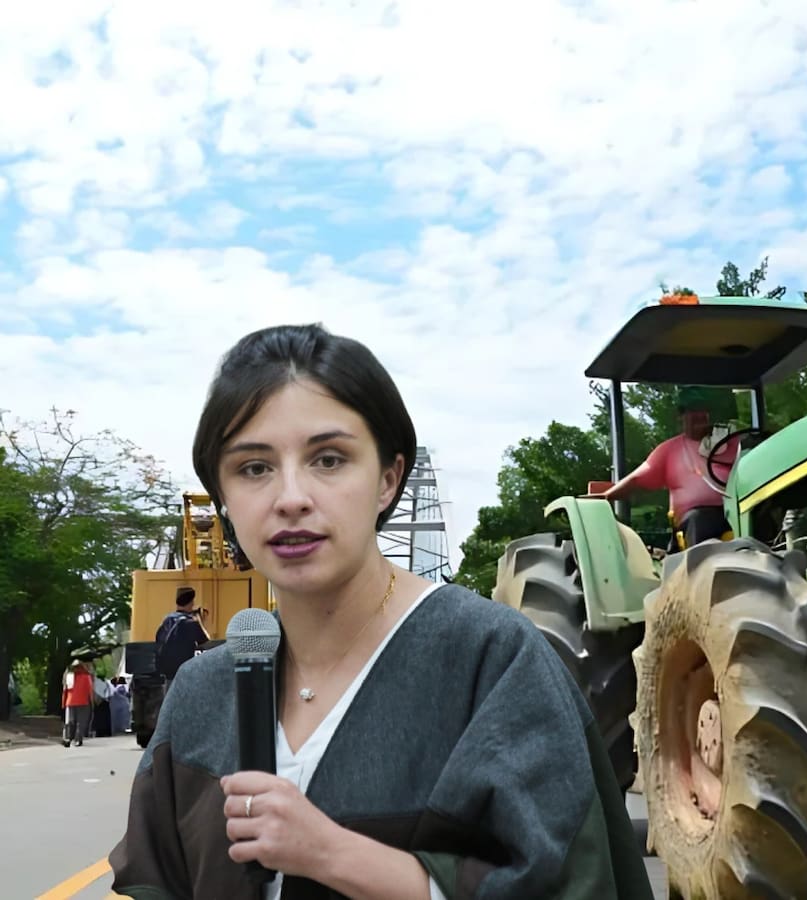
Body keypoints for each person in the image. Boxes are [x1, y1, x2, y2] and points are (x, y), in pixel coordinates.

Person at [109, 324, 654, 900]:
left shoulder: (492, 661)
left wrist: (330, 853)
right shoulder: (199, 695)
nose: (290, 497)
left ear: (388, 478)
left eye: (328, 459)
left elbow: (571, 884)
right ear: (222, 497)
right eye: (253, 468)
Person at [596, 385, 741, 551]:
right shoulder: (669, 451)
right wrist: (605, 497)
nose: (700, 415)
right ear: (681, 416)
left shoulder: (733, 442)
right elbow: (637, 480)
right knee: (701, 519)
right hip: (697, 520)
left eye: (704, 410)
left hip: (738, 510)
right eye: (693, 410)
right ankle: (702, 571)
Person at [154, 586, 211, 693]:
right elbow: (205, 640)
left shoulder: (168, 619)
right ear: (191, 603)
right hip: (185, 671)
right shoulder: (191, 622)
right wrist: (199, 619)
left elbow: (158, 638)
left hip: (168, 672)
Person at [61, 661, 93, 747]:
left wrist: (63, 703)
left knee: (70, 722)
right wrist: (92, 702)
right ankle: (78, 740)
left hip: (70, 702)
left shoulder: (69, 677)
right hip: (83, 702)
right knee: (80, 722)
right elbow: (90, 690)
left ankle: (69, 738)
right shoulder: (87, 676)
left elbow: (65, 690)